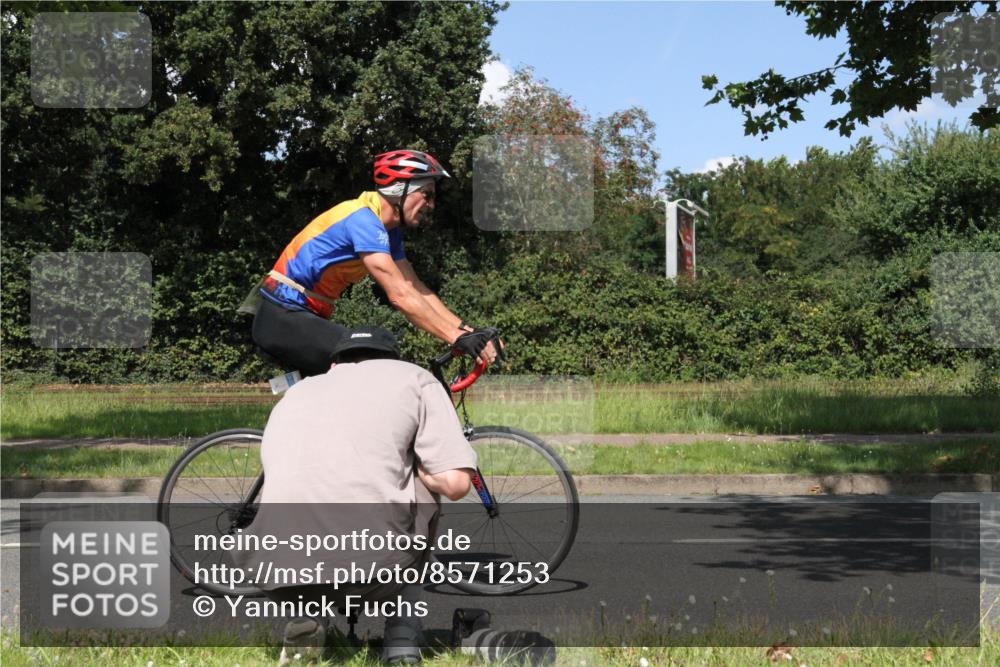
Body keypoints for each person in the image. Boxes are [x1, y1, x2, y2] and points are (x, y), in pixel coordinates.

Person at [232, 326, 478, 665]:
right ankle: (402, 638)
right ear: (392, 360)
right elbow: (456, 484)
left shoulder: (300, 391)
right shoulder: (414, 379)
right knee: (424, 486)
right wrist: (417, 467)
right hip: (371, 571)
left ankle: (308, 612)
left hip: (275, 571)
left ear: (335, 365)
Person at [251, 149, 501, 376]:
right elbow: (400, 295)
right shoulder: (363, 220)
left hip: (302, 316)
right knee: (372, 359)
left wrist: (469, 332)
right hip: (282, 317)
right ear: (400, 188)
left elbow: (415, 287)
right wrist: (454, 337)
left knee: (365, 374)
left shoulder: (388, 231)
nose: (431, 205)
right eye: (427, 195)